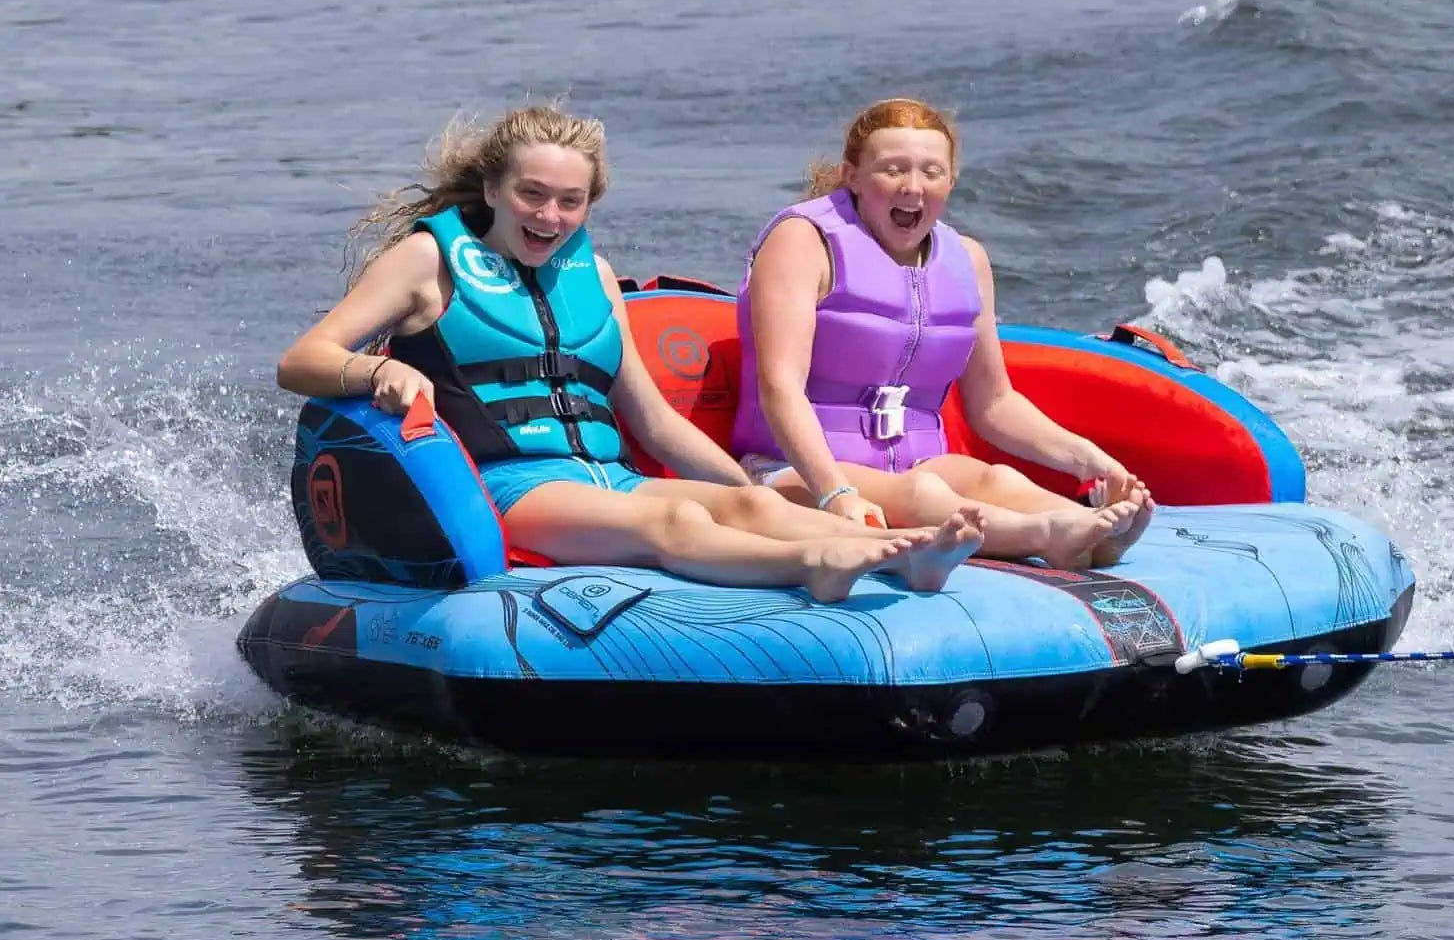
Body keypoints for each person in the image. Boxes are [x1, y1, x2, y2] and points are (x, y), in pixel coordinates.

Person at [276, 102, 981, 603]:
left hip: (609, 477)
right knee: (675, 522)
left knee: (747, 508)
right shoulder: (428, 262)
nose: (549, 217)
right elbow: (302, 360)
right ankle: (815, 564)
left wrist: (745, 483)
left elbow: (653, 422)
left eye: (570, 201)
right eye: (531, 195)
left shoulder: (596, 279)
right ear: (493, 189)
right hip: (509, 488)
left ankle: (900, 560)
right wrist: (379, 368)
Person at [734, 98, 1157, 571]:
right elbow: (780, 387)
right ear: (852, 175)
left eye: (931, 172)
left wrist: (1091, 461)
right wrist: (836, 493)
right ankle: (1044, 536)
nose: (913, 187)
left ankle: (1093, 533)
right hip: (790, 473)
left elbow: (994, 404)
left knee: (998, 481)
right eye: (893, 169)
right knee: (922, 493)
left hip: (916, 466)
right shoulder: (802, 241)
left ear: (951, 180)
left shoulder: (966, 260)